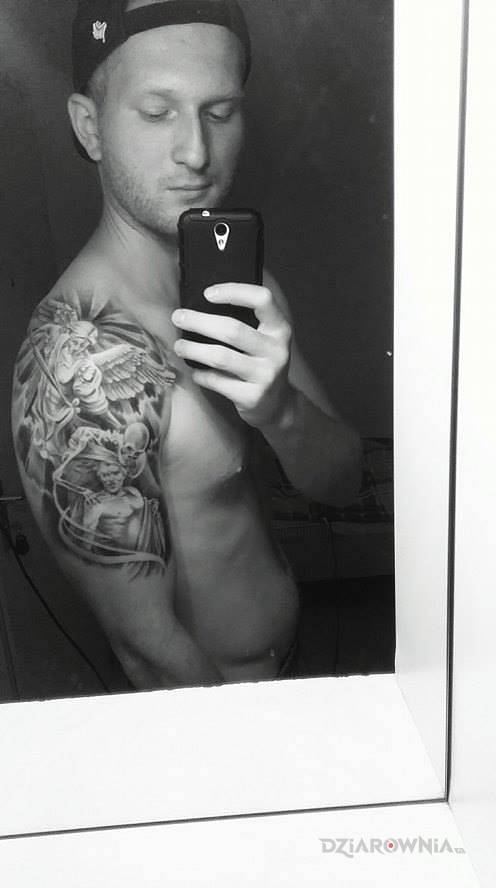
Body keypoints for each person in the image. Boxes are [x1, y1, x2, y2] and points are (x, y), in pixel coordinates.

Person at [11, 0, 361, 690]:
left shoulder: (244, 285)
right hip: (215, 711)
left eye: (219, 112)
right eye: (157, 112)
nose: (196, 152)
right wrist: (243, 742)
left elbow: (343, 483)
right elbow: (147, 646)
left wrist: (280, 411)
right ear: (90, 127)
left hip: (292, 672)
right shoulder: (75, 354)